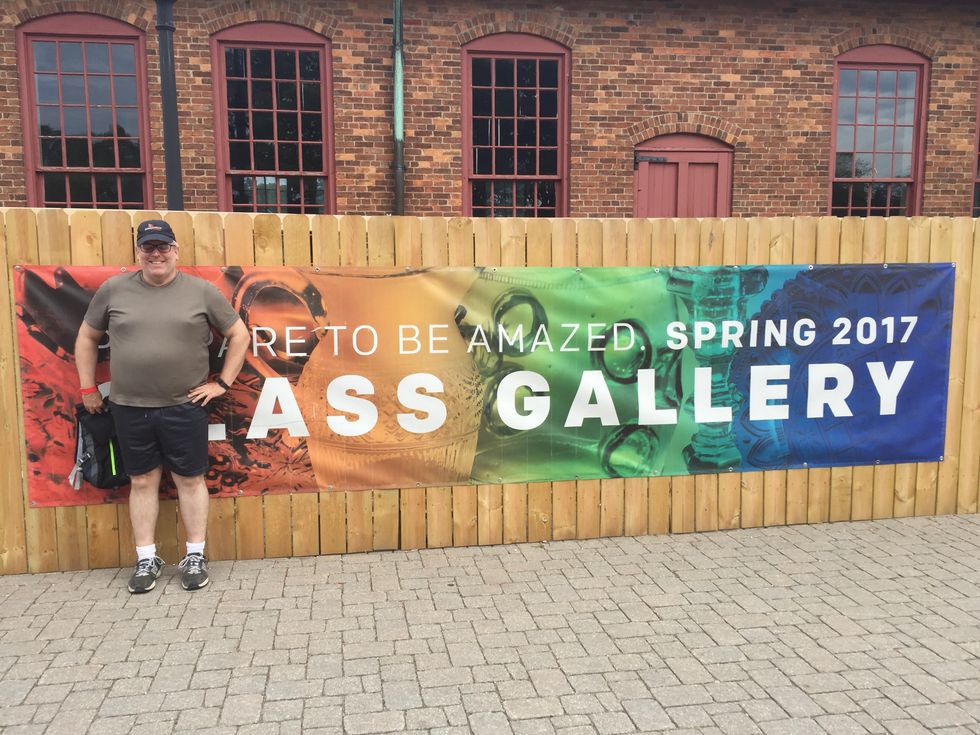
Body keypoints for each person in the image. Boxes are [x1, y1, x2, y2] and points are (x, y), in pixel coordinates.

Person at [74, 219, 250, 594]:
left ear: (175, 251)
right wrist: (88, 387)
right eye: (148, 247)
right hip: (128, 406)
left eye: (163, 246)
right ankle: (146, 559)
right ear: (138, 252)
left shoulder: (202, 292)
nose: (156, 254)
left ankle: (195, 556)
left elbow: (239, 334)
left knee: (190, 480)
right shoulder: (113, 290)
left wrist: (222, 383)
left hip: (184, 406)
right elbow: (87, 337)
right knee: (141, 481)